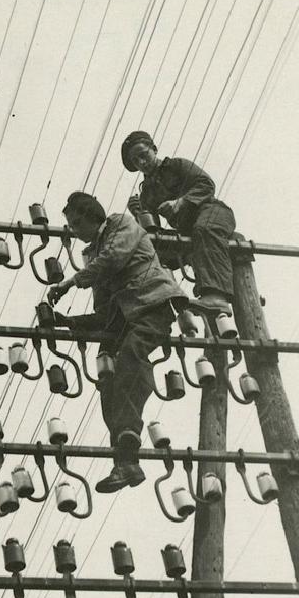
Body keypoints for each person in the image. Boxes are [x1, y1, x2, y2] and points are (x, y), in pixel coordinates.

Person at [47, 191, 187, 494]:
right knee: (108, 381)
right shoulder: (93, 253)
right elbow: (104, 311)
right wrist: (69, 322)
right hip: (124, 317)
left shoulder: (121, 225)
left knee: (132, 357)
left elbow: (114, 259)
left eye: (76, 223)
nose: (74, 230)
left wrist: (71, 282)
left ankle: (127, 440)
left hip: (152, 304)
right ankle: (126, 461)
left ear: (91, 215)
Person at [121, 130, 235, 314]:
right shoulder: (147, 193)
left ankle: (216, 296)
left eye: (144, 155)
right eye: (136, 161)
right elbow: (153, 232)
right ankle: (170, 305)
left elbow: (207, 184)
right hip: (187, 231)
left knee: (203, 229)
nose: (142, 163)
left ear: (154, 149)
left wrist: (180, 202)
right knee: (151, 253)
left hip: (212, 212)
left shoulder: (176, 165)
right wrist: (138, 212)